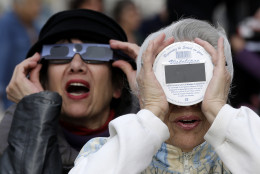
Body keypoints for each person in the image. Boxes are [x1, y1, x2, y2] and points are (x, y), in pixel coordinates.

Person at [69, 18, 260, 173]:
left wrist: (220, 111)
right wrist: (151, 112)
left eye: (203, 82)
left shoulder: (243, 147)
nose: (186, 105)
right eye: (168, 82)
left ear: (223, 86)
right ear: (144, 89)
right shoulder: (102, 153)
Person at [0, 9, 139, 173]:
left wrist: (151, 105)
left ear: (117, 85)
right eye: (59, 53)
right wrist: (33, 117)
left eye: (95, 53)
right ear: (42, 80)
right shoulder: (13, 131)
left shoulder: (156, 135)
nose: (76, 66)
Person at [0, 0, 41, 110]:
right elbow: (2, 59)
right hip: (12, 94)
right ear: (18, 5)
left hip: (31, 90)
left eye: (39, 4)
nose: (37, 8)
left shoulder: (35, 26)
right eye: (33, 4)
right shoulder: (6, 24)